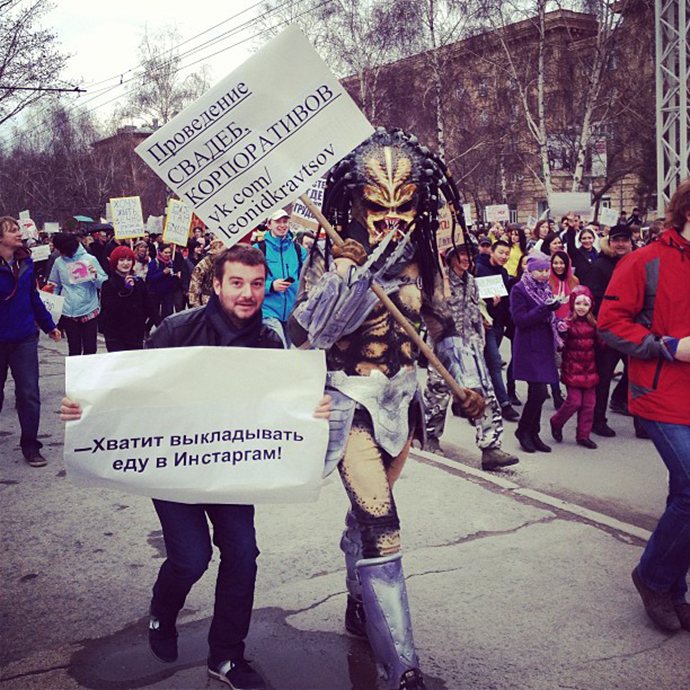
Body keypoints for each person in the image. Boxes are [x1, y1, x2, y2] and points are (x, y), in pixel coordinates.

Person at [61, 244, 332, 689]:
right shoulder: (175, 330)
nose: (248, 293)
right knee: (192, 558)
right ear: (217, 284)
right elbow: (129, 394)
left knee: (243, 555)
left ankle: (226, 656)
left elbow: (281, 405)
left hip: (231, 469)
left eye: (257, 284)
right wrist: (85, 411)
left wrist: (310, 409)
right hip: (175, 470)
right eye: (238, 283)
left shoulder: (269, 339)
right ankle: (163, 611)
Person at [289, 129, 484, 690]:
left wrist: (469, 386)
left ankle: (357, 602)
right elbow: (310, 332)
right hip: (351, 406)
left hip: (403, 407)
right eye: (377, 207)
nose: (390, 220)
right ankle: (402, 666)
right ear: (354, 204)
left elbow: (448, 332)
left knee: (365, 518)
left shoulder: (426, 262)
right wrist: (350, 275)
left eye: (403, 208)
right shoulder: (329, 256)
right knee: (383, 526)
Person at [598, 180, 690, 633]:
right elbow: (610, 325)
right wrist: (669, 346)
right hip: (659, 394)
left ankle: (674, 589)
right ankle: (652, 578)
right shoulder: (644, 260)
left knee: (683, 494)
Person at [423, 245, 519, 470]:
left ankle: (491, 449)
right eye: (462, 254)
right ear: (451, 257)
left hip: (470, 347)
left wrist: (481, 333)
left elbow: (476, 311)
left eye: (470, 255)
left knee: (484, 394)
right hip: (442, 347)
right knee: (438, 395)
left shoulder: (472, 282)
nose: (467, 259)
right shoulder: (438, 281)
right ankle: (430, 438)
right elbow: (425, 311)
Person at [0, 216, 61, 467]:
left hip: (24, 337)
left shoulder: (25, 262)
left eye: (18, 230)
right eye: (12, 231)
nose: (18, 234)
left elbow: (34, 298)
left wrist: (49, 326)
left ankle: (30, 445)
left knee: (29, 393)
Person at [583, 224, 634, 437]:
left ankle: (639, 419)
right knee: (603, 378)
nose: (621, 244)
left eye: (625, 240)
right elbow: (592, 299)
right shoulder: (600, 265)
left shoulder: (635, 262)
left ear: (631, 242)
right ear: (610, 241)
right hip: (609, 331)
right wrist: (600, 328)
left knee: (636, 375)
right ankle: (597, 420)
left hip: (632, 329)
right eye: (617, 240)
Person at [510, 251, 561, 453]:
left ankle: (533, 432)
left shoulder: (545, 287)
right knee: (539, 392)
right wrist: (544, 308)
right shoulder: (519, 289)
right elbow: (519, 320)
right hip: (529, 346)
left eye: (546, 270)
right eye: (540, 270)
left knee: (539, 393)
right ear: (530, 270)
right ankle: (523, 430)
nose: (543, 274)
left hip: (544, 345)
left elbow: (550, 315)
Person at [549, 286, 599, 449]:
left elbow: (601, 344)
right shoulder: (567, 323)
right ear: (572, 304)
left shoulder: (594, 324)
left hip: (589, 369)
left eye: (585, 304)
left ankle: (583, 436)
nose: (581, 308)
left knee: (589, 405)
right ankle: (556, 421)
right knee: (574, 402)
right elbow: (560, 345)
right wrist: (562, 334)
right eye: (578, 304)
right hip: (572, 368)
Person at [476, 239, 520, 421]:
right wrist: (488, 305)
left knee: (487, 364)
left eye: (507, 254)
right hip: (485, 324)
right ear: (492, 252)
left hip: (498, 323)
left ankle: (478, 396)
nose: (504, 256)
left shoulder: (503, 272)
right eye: (500, 252)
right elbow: (474, 298)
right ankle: (504, 404)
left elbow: (504, 299)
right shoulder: (478, 269)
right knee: (494, 362)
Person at [48, 232, 107, 356]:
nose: (58, 252)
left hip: (89, 309)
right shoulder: (59, 262)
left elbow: (104, 284)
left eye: (60, 249)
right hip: (68, 311)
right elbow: (54, 284)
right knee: (74, 349)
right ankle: (76, 375)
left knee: (90, 349)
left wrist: (95, 276)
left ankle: (89, 375)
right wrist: (52, 306)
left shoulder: (89, 259)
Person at [254, 209, 306, 347]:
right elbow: (249, 282)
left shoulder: (299, 250)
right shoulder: (258, 249)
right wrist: (271, 286)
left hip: (293, 314)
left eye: (285, 221)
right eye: (278, 221)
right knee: (278, 349)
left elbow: (308, 278)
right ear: (269, 225)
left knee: (291, 355)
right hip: (268, 312)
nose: (282, 225)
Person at [100, 246, 149, 352]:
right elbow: (110, 308)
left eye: (129, 260)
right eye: (121, 260)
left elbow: (148, 306)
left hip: (135, 333)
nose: (126, 263)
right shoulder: (108, 284)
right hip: (115, 334)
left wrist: (161, 324)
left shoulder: (139, 282)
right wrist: (125, 291)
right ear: (115, 262)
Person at [147, 243, 185, 326]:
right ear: (160, 252)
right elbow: (150, 278)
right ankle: (147, 329)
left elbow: (172, 274)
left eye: (169, 252)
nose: (168, 255)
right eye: (166, 252)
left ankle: (165, 331)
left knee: (168, 313)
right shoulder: (154, 263)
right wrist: (162, 273)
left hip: (168, 292)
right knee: (154, 314)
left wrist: (176, 275)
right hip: (156, 292)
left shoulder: (171, 262)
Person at [189, 239, 225, 308]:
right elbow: (194, 284)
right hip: (208, 296)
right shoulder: (204, 264)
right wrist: (196, 305)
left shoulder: (227, 262)